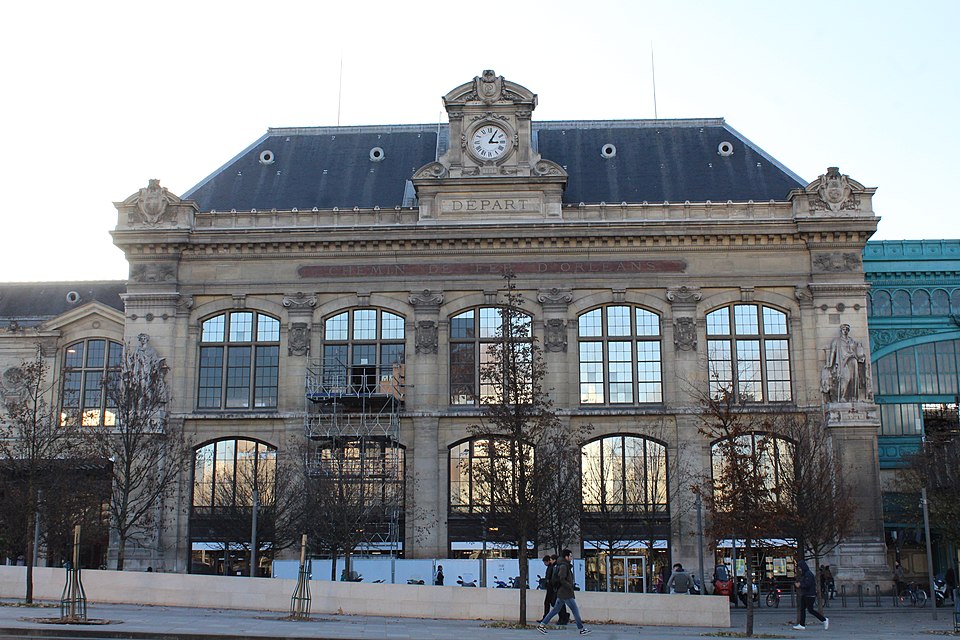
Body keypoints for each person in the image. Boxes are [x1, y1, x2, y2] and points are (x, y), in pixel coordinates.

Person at [537, 549, 590, 635]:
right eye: (570, 556)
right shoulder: (564, 566)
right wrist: (570, 586)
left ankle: (542, 625)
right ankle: (581, 629)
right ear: (566, 557)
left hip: (562, 592)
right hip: (566, 593)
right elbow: (562, 579)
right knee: (575, 609)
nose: (572, 557)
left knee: (554, 610)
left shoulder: (563, 565)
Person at [793, 560, 828, 631]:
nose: (799, 569)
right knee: (803, 609)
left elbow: (808, 584)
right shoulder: (805, 574)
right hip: (806, 594)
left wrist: (800, 585)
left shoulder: (808, 574)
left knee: (810, 610)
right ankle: (802, 624)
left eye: (800, 568)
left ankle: (824, 619)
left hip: (809, 594)